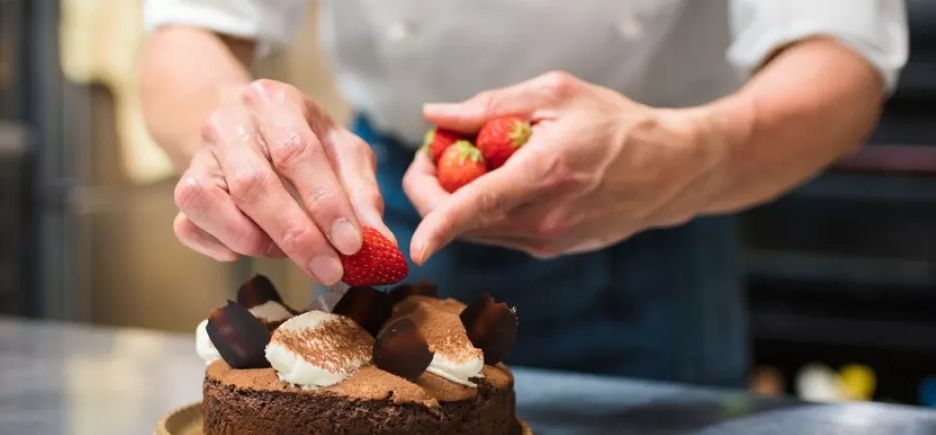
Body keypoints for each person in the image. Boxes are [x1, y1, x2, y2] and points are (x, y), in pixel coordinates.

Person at [138, 0, 908, 387]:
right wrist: (233, 130)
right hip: (385, 214)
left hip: (654, 220)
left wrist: (688, 156)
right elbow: (189, 31)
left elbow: (842, 59)